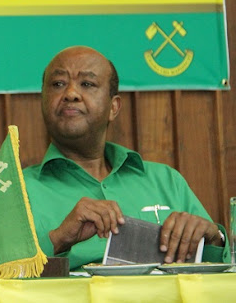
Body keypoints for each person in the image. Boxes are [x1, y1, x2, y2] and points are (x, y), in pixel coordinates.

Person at [23, 46, 229, 270]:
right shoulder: (17, 191)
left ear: (114, 107)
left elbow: (220, 275)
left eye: (87, 84)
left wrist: (214, 239)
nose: (71, 93)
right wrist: (58, 239)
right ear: (43, 101)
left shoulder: (166, 182)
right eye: (58, 84)